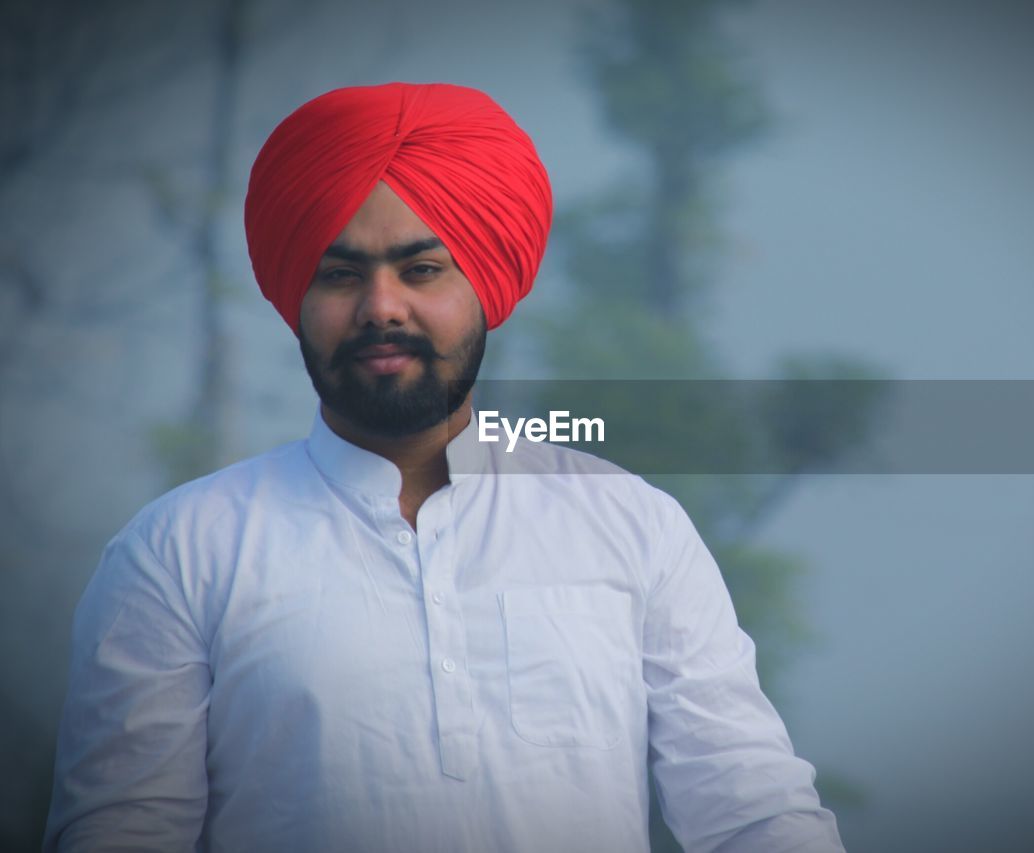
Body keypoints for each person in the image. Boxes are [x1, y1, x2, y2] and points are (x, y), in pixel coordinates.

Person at [44, 82, 844, 853]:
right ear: (297, 294)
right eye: (341, 273)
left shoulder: (630, 524)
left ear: (487, 286)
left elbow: (753, 814)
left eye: (422, 270)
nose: (382, 307)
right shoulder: (184, 549)